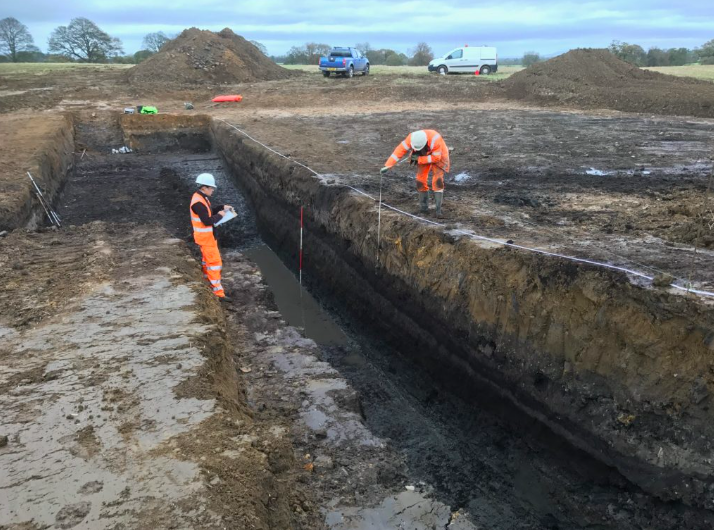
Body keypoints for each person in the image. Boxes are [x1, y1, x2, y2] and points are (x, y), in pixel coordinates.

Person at [381, 129, 450, 218]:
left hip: (440, 155)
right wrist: (388, 165)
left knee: (437, 181)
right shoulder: (411, 138)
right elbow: (398, 151)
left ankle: (438, 211)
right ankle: (423, 209)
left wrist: (419, 159)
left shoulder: (435, 140)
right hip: (422, 154)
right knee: (420, 180)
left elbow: (436, 158)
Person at [190, 173, 234, 301]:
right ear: (204, 187)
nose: (213, 190)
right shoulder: (198, 202)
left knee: (207, 262)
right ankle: (218, 294)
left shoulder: (201, 197)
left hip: (207, 237)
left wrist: (221, 208)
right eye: (211, 188)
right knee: (214, 263)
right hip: (206, 239)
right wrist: (220, 215)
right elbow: (207, 220)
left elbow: (208, 212)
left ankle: (207, 282)